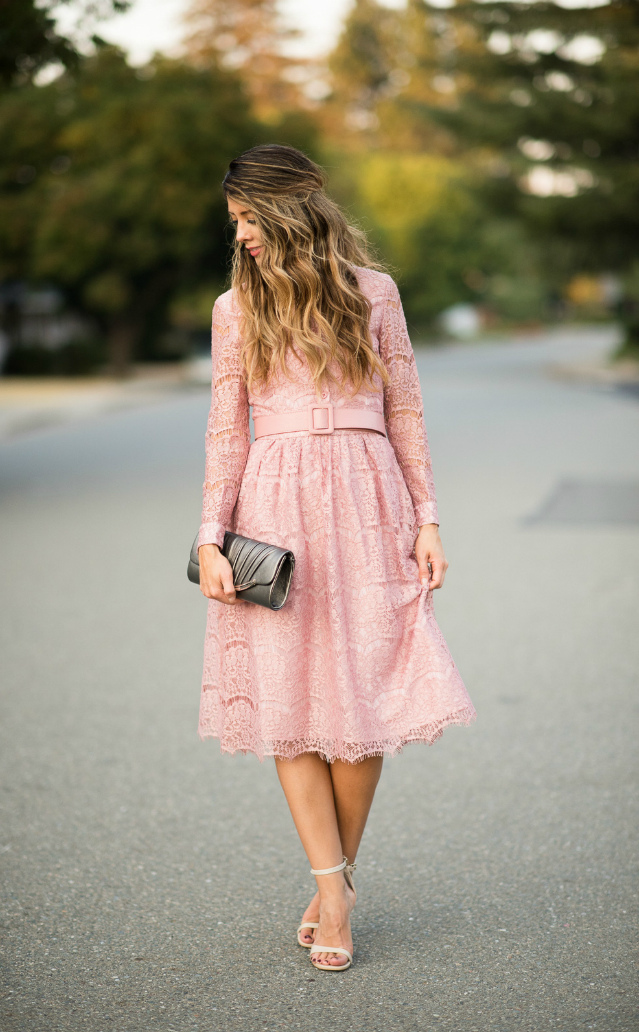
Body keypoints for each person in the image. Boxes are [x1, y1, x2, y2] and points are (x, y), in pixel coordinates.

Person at [195, 144, 475, 972]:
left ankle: (333, 886)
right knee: (289, 705)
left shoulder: (374, 293)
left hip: (369, 497)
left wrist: (428, 519)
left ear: (287, 210)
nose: (240, 234)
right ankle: (334, 887)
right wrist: (209, 537)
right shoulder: (234, 308)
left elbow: (408, 410)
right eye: (236, 220)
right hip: (274, 508)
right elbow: (223, 430)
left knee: (367, 700)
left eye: (248, 216)